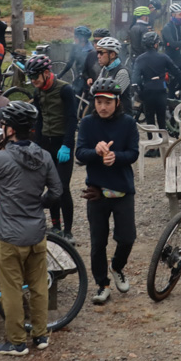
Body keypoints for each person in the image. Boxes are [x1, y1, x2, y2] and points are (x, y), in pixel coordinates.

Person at [0, 101, 62, 355]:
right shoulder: (44, 156)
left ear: (10, 130)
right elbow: (57, 192)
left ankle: (17, 342)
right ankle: (41, 336)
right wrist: (37, 205)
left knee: (11, 290)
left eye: (4, 125)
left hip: (9, 235)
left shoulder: (2, 159)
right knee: (39, 287)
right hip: (37, 233)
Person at [75, 78, 140, 306]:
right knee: (97, 242)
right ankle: (102, 284)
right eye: (99, 102)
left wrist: (116, 157)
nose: (103, 107)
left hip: (123, 189)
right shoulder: (87, 123)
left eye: (108, 102)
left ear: (117, 101)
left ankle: (117, 266)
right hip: (97, 191)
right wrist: (95, 151)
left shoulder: (128, 123)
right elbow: (80, 154)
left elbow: (133, 153)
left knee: (127, 237)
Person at [27, 55, 78, 241]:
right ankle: (56, 226)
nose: (33, 82)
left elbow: (73, 119)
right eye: (31, 78)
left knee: (63, 187)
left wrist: (67, 144)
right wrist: (37, 144)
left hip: (62, 143)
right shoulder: (38, 91)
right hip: (46, 144)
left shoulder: (65, 89)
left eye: (36, 77)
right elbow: (39, 119)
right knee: (51, 186)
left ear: (47, 73)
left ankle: (68, 231)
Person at [132, 30, 178, 129]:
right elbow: (176, 71)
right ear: (156, 45)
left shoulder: (140, 59)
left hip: (147, 92)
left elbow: (135, 79)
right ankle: (163, 141)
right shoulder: (163, 57)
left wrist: (140, 92)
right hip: (161, 91)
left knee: (150, 121)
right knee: (161, 120)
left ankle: (152, 141)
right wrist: (176, 85)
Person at [161, 2, 181, 98]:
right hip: (171, 60)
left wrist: (178, 45)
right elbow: (173, 44)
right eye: (180, 14)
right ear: (173, 15)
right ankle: (171, 108)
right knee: (172, 86)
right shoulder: (167, 28)